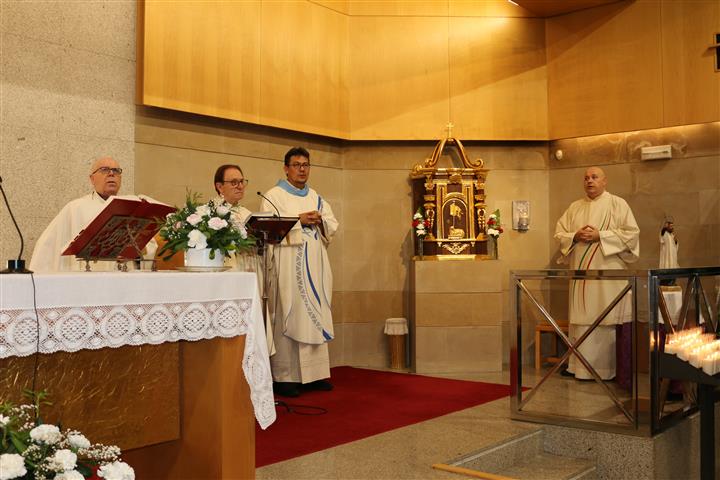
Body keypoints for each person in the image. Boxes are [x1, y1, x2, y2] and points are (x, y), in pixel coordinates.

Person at [260, 147, 339, 397]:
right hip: (288, 266)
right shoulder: (274, 196)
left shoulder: (315, 195)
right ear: (286, 168)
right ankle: (286, 377)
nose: (302, 169)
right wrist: (298, 221)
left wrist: (320, 220)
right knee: (290, 312)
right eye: (296, 165)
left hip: (314, 265)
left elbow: (332, 224)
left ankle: (314, 375)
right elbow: (267, 228)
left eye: (306, 164)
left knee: (315, 314)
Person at [554, 166, 640, 381]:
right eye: (586, 178)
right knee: (582, 321)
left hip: (608, 278)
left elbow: (632, 234)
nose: (589, 181)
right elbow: (559, 234)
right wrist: (575, 236)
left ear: (605, 181)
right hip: (582, 277)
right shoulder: (575, 207)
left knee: (605, 319)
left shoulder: (617, 204)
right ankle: (578, 367)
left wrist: (600, 236)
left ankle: (607, 371)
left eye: (594, 177)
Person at [29, 157, 157, 272]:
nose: (111, 173)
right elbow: (47, 246)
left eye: (116, 171)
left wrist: (134, 253)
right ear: (92, 179)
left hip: (125, 278)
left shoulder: (133, 206)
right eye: (104, 169)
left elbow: (149, 245)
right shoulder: (75, 208)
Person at [212, 164, 256, 272]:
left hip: (247, 269)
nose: (240, 186)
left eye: (241, 182)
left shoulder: (248, 214)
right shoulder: (210, 213)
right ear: (219, 187)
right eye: (234, 182)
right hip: (223, 271)